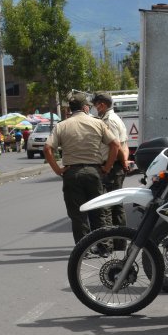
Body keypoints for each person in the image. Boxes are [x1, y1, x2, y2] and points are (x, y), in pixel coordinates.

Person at [44, 93, 121, 241]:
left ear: (70, 108)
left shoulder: (61, 125)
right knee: (98, 211)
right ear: (85, 107)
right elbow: (115, 145)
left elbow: (47, 149)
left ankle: (84, 249)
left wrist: (58, 170)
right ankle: (103, 247)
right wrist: (107, 167)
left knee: (78, 214)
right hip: (94, 171)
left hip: (71, 173)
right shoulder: (97, 123)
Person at [91, 92, 131, 227]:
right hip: (116, 166)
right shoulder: (116, 118)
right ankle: (118, 241)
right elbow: (125, 145)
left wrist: (108, 167)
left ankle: (115, 241)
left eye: (96, 105)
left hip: (112, 167)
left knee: (109, 206)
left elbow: (116, 146)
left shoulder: (109, 121)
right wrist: (124, 162)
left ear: (102, 105)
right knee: (115, 205)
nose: (95, 108)